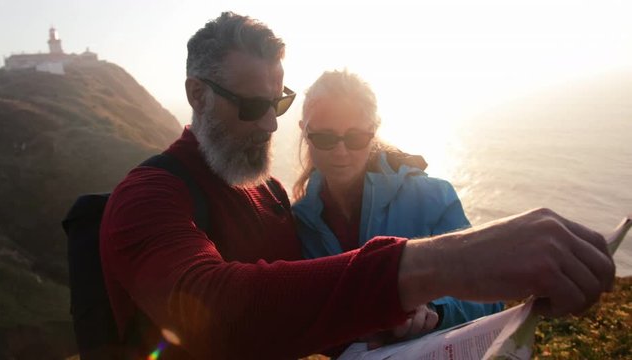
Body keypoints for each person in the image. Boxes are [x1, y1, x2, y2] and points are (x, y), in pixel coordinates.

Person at [99, 11, 615, 359]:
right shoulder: (147, 197)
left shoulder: (271, 196)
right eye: (252, 106)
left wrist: (401, 319)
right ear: (196, 94)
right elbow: (209, 308)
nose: (270, 126)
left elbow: (311, 303)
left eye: (278, 104)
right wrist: (448, 261)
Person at [292, 70, 502, 343]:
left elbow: (489, 296)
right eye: (325, 138)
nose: (341, 152)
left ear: (373, 132)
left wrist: (437, 311)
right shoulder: (300, 222)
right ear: (305, 133)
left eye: (355, 138)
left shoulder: (433, 197)